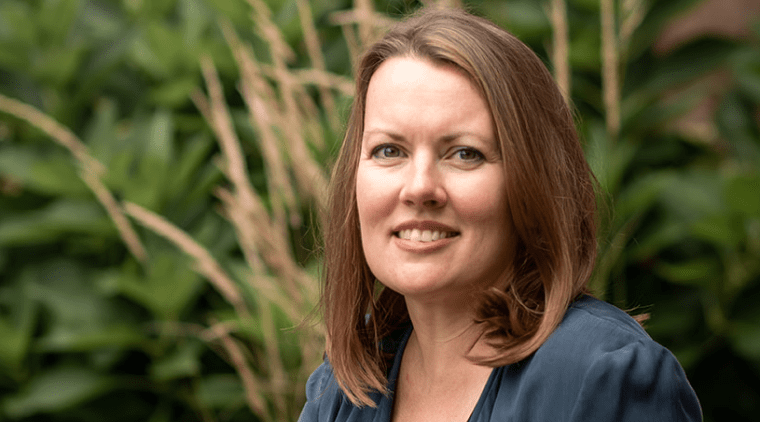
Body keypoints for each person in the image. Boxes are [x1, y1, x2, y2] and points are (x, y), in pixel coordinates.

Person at [299, 7, 701, 422]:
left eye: (464, 154)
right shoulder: (343, 391)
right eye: (389, 151)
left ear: (532, 182)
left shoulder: (601, 377)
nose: (419, 187)